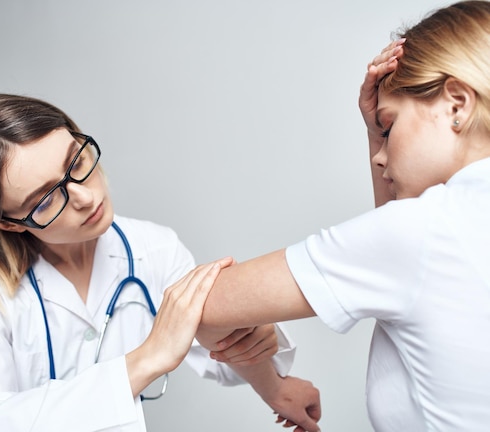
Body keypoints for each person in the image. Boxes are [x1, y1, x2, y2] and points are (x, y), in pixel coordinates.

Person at [0, 93, 321, 431]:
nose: (83, 196)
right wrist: (146, 360)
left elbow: (214, 338)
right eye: (46, 199)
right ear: (8, 224)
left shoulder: (152, 247)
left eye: (76, 162)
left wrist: (272, 382)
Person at [196, 1, 490, 431]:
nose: (379, 157)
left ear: (457, 105)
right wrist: (378, 130)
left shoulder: (422, 232)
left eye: (388, 127)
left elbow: (199, 308)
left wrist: (261, 371)